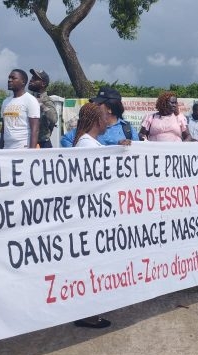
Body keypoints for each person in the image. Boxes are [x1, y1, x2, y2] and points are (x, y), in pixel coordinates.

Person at [70, 102, 113, 327]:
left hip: (92, 216)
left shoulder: (88, 143)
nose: (109, 119)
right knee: (91, 267)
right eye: (106, 116)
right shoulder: (87, 145)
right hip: (90, 218)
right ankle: (87, 313)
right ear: (98, 121)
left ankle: (89, 311)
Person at [61, 86, 138, 147]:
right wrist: (79, 154)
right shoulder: (90, 126)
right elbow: (65, 139)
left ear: (110, 109)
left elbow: (137, 152)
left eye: (99, 104)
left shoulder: (128, 130)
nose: (94, 106)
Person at [0, 69, 40, 149]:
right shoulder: (5, 102)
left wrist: (31, 152)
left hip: (23, 147)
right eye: (9, 78)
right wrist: (1, 149)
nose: (9, 80)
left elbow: (35, 130)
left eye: (13, 78)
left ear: (23, 82)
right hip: (7, 147)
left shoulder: (30, 100)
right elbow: (3, 129)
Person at [28, 69, 58, 148]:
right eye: (32, 78)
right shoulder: (28, 98)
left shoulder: (47, 101)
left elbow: (54, 119)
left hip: (42, 143)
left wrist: (41, 105)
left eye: (35, 79)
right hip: (27, 142)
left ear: (43, 83)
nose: (31, 80)